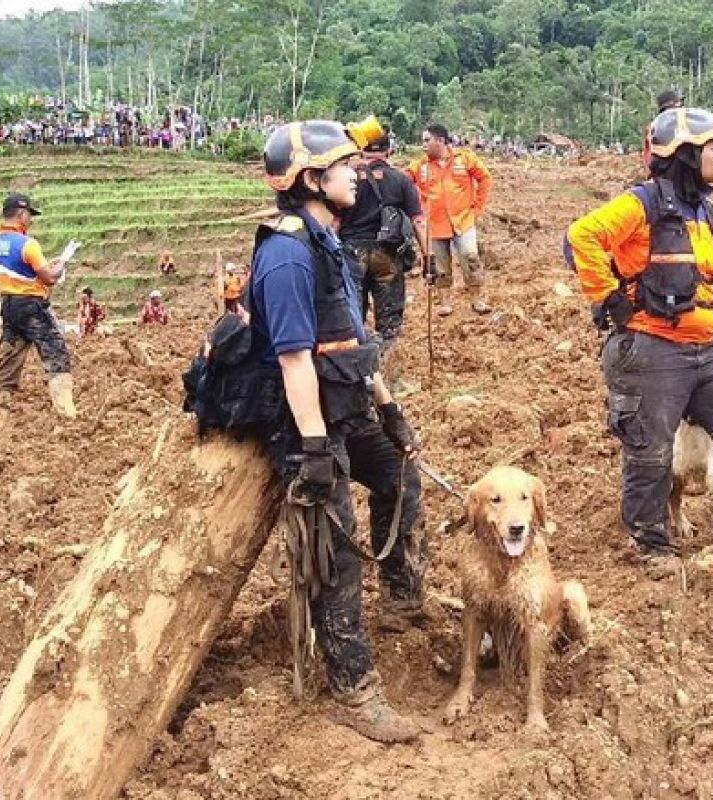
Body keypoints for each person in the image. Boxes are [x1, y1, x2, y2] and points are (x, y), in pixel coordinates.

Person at [192, 119, 422, 741]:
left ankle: (404, 600)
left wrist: (389, 407)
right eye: (344, 168)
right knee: (337, 556)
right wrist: (317, 451)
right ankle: (353, 688)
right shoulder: (288, 255)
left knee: (401, 473)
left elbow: (353, 343)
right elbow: (295, 360)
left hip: (346, 405)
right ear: (313, 180)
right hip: (307, 425)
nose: (357, 174)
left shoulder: (330, 244)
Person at [564, 107, 713, 578]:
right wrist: (611, 299)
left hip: (706, 351)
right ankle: (649, 545)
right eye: (712, 149)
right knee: (650, 449)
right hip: (652, 349)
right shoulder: (641, 203)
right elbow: (581, 236)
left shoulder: (707, 213)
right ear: (686, 155)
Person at [336, 124, 428, 394]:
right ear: (389, 151)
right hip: (387, 255)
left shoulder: (347, 177)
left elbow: (335, 223)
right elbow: (418, 222)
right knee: (389, 321)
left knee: (354, 317)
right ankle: (388, 380)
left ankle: (356, 380)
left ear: (362, 149)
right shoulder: (401, 180)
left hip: (352, 253)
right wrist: (428, 257)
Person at [0, 193, 77, 418]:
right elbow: (48, 277)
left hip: (9, 305)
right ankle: (65, 410)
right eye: (29, 215)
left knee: (10, 353)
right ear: (21, 214)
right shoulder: (28, 244)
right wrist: (60, 265)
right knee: (55, 351)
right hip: (32, 306)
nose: (31, 220)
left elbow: (20, 271)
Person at [407, 123, 493, 316]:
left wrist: (478, 207)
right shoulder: (420, 166)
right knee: (440, 264)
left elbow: (485, 178)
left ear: (440, 141)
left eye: (427, 140)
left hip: (463, 221)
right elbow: (403, 181)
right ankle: (445, 302)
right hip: (435, 224)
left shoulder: (465, 158)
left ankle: (477, 299)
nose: (423, 145)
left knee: (470, 258)